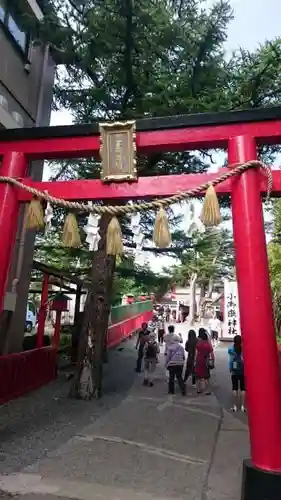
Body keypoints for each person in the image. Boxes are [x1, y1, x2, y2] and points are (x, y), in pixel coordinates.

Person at [228, 335, 246, 412]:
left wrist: (230, 368)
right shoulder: (244, 349)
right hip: (242, 370)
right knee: (243, 388)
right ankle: (242, 406)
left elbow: (230, 360)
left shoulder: (230, 349)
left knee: (234, 388)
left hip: (234, 370)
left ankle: (235, 406)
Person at [195, 328, 214, 395]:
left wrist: (195, 360)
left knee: (198, 376)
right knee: (206, 376)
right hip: (206, 361)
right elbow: (212, 354)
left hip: (198, 360)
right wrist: (213, 362)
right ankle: (207, 390)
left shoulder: (198, 344)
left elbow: (196, 353)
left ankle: (198, 389)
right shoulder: (208, 345)